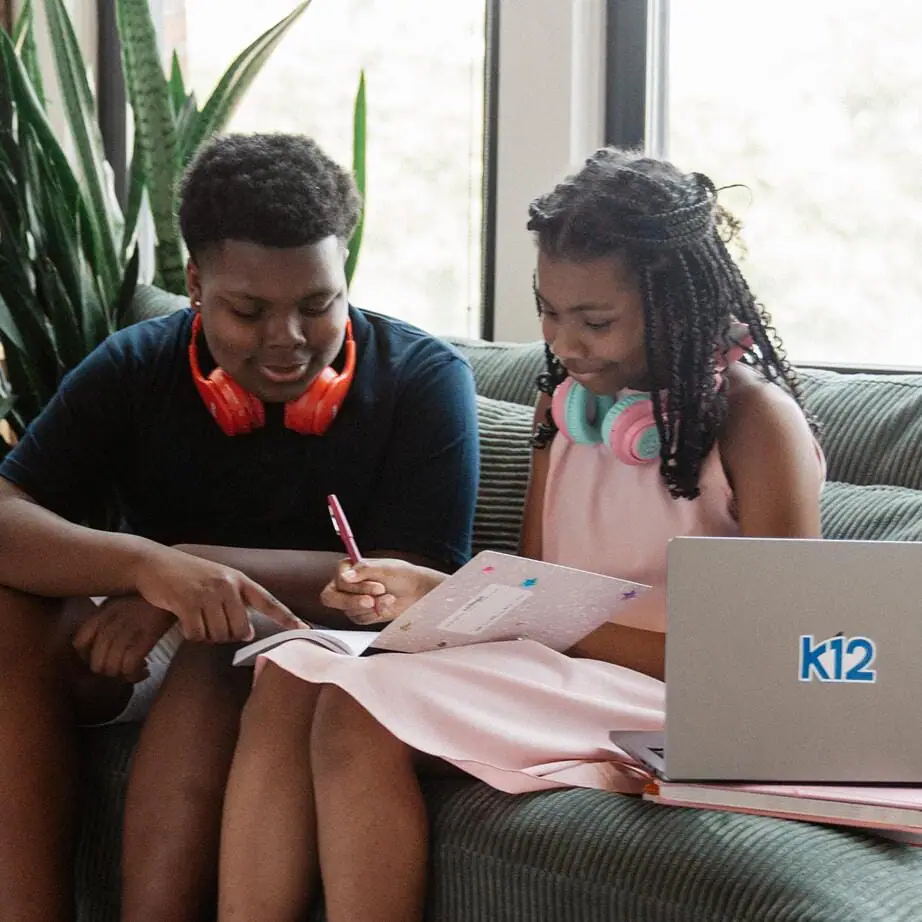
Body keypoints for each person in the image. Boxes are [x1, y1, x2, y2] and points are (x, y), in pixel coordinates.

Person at [215, 148, 827, 922]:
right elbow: (536, 589)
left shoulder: (755, 422)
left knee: (357, 710)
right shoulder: (564, 408)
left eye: (595, 321)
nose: (566, 343)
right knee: (290, 674)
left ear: (675, 304)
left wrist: (552, 626)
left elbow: (778, 661)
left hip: (684, 697)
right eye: (549, 312)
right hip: (564, 672)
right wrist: (434, 600)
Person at [0, 133, 479, 922]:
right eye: (249, 311)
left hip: (305, 651)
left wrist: (191, 571)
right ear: (195, 283)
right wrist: (144, 570)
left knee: (223, 643)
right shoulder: (137, 364)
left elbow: (406, 585)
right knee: (10, 614)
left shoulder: (424, 380)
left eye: (318, 305)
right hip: (148, 634)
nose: (287, 338)